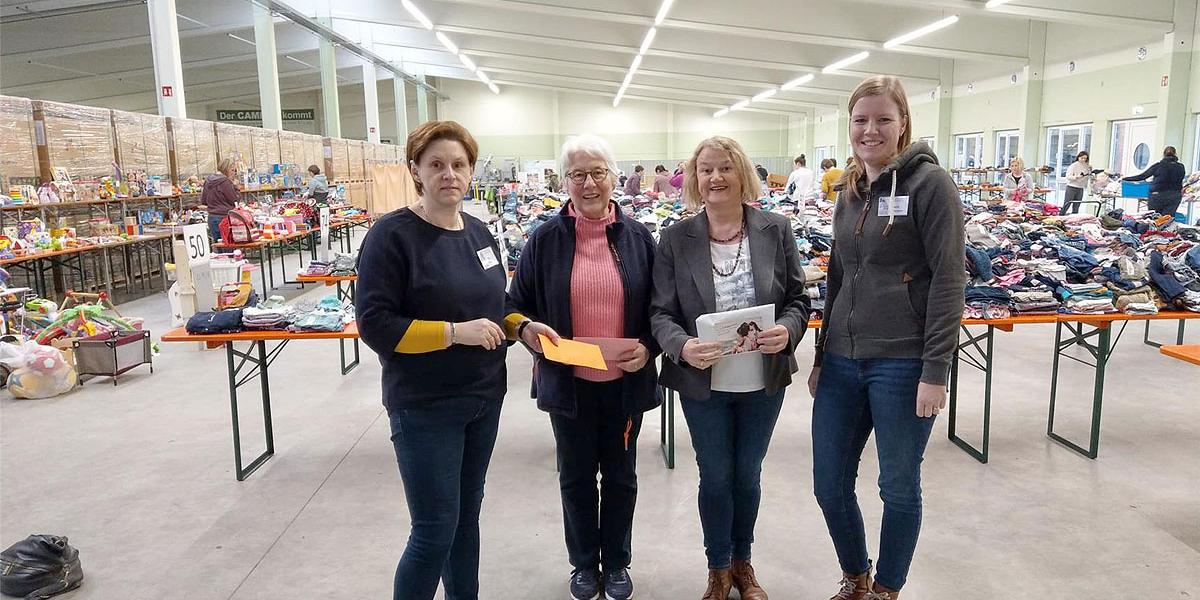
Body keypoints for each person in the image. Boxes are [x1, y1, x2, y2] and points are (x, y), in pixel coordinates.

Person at [807, 76, 965, 600]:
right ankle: (857, 577)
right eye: (860, 120)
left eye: (882, 119)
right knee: (829, 484)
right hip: (842, 362)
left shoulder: (931, 185)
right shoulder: (850, 189)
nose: (870, 130)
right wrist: (820, 353)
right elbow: (837, 279)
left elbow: (948, 279)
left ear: (902, 125)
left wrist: (936, 371)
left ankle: (886, 590)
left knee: (896, 486)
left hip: (902, 363)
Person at [355, 120, 520, 600]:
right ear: (416, 171)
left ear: (471, 172)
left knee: (466, 521)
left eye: (459, 164)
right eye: (436, 165)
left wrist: (522, 327)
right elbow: (376, 324)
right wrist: (453, 333)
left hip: (484, 398)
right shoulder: (392, 237)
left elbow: (497, 304)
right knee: (433, 530)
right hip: (425, 405)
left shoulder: (480, 232)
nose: (449, 174)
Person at [650, 136, 810, 600]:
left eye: (725, 168)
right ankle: (718, 568)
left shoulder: (775, 229)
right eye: (705, 169)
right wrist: (682, 347)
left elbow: (799, 298)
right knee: (715, 475)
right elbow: (660, 312)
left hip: (764, 380)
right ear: (694, 179)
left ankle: (744, 563)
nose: (715, 177)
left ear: (743, 173)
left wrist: (787, 328)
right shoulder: (676, 238)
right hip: (704, 381)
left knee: (748, 474)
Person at [508, 133, 660, 600]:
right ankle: (582, 565)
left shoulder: (638, 238)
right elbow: (515, 305)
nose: (589, 183)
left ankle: (616, 563)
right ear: (565, 181)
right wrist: (527, 331)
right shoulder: (544, 239)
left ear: (614, 177)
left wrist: (651, 347)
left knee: (620, 477)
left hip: (622, 384)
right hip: (568, 383)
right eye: (577, 174)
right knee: (574, 476)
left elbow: (662, 307)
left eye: (597, 172)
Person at [1122, 146, 1186, 218]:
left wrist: (1125, 179)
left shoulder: (1158, 166)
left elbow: (1142, 176)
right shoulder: (1181, 167)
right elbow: (1181, 178)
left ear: (1164, 155)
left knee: (1154, 220)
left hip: (1157, 196)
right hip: (1174, 196)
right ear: (1175, 154)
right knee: (1167, 220)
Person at [199, 158, 242, 241]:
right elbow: (234, 201)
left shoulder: (208, 180)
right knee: (229, 248)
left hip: (212, 218)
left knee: (219, 250)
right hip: (224, 218)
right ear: (227, 169)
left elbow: (204, 201)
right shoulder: (225, 182)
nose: (234, 173)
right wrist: (236, 188)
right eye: (232, 170)